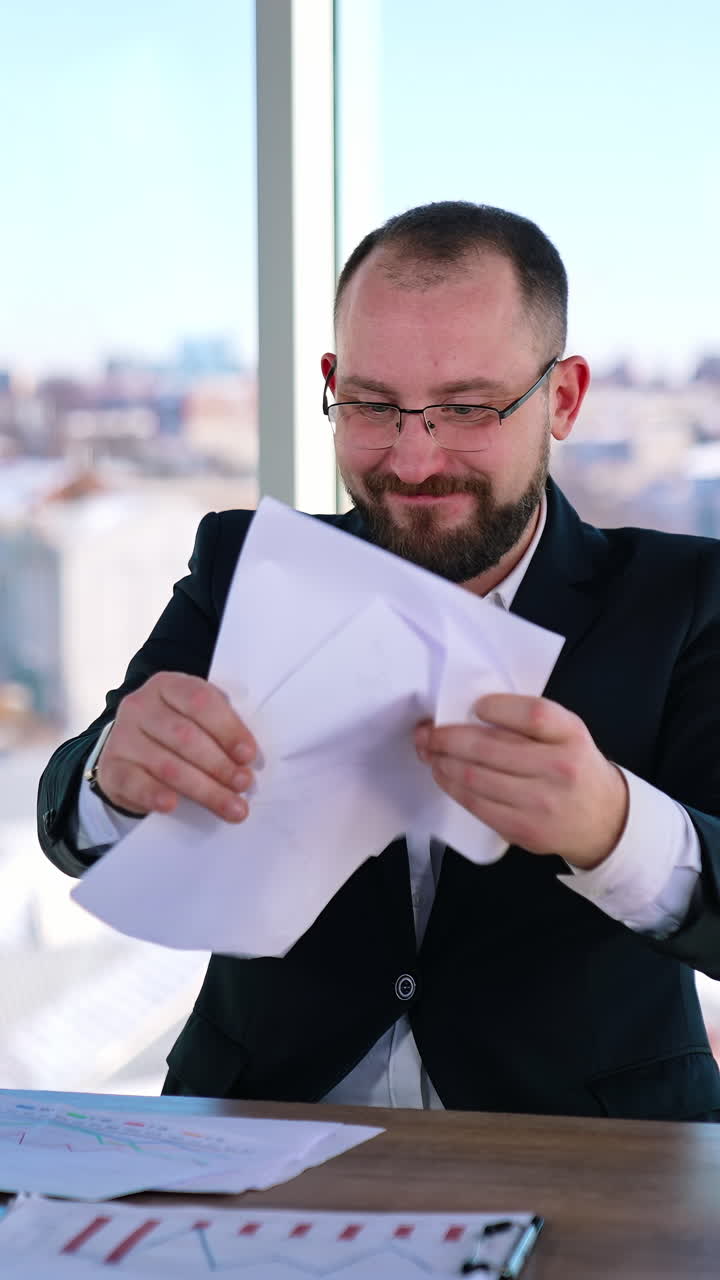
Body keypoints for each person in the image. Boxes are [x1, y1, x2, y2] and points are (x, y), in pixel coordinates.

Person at [38, 201, 720, 1120]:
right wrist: (114, 776)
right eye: (370, 404)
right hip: (257, 1131)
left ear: (561, 399)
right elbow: (67, 821)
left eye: (467, 408)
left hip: (587, 1155)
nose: (412, 456)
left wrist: (613, 824)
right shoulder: (243, 563)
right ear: (330, 381)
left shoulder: (684, 600)